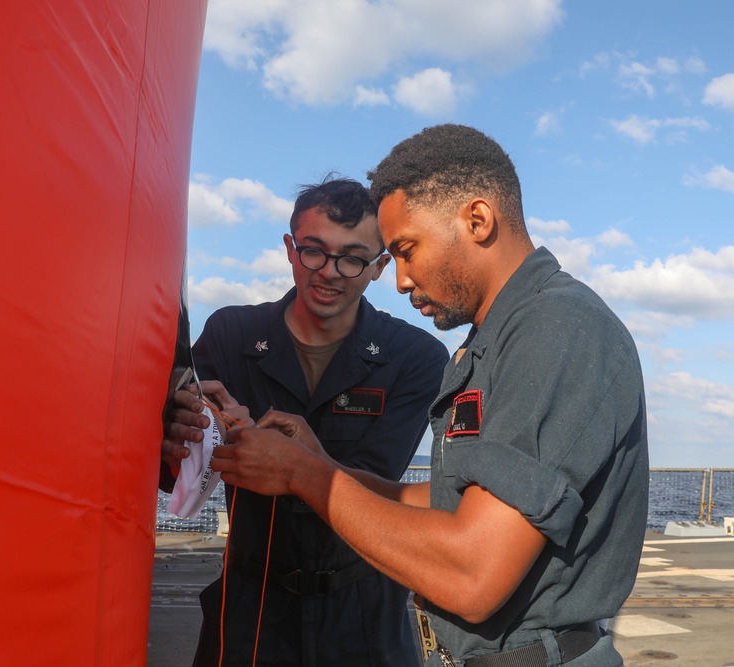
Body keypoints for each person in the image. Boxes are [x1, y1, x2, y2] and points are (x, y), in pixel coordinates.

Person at [211, 125, 650, 667]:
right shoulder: (496, 339)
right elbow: (449, 503)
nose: (397, 279)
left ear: (477, 220)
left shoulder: (557, 327)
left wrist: (303, 476)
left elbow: (472, 576)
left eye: (405, 249)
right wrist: (316, 460)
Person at [162, 176, 449, 666]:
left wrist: (293, 458)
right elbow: (178, 473)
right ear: (290, 249)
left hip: (364, 612)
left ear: (380, 267)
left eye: (353, 258)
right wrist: (185, 434)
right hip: (250, 609)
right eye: (314, 251)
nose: (330, 272)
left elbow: (375, 482)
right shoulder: (232, 333)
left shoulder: (415, 356)